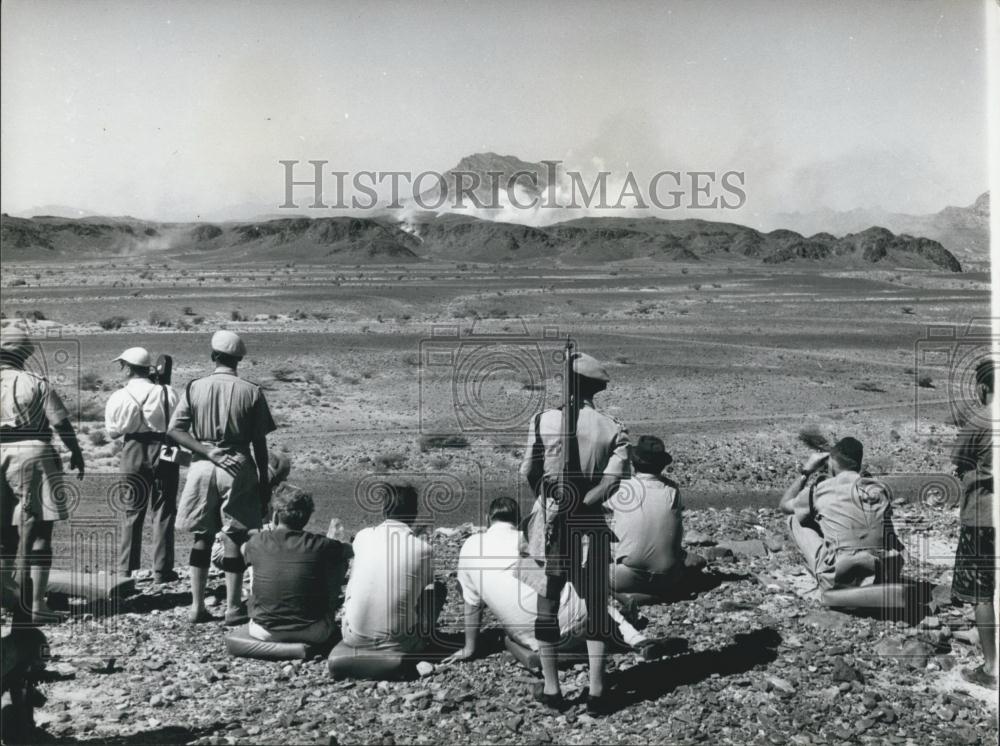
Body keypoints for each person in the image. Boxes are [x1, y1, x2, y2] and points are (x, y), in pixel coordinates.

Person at [520, 351, 629, 715]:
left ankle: (553, 690)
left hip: (552, 521)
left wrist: (552, 498)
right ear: (595, 388)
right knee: (596, 607)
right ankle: (597, 692)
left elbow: (529, 472)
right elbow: (613, 481)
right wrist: (587, 501)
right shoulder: (612, 428)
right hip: (591, 523)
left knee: (547, 606)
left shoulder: (543, 420)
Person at [445, 497, 660, 666]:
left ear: (487, 519)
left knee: (509, 634)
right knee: (590, 599)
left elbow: (471, 604)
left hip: (533, 638)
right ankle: (637, 640)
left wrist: (469, 647)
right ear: (519, 519)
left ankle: (578, 652)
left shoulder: (470, 545)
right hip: (574, 620)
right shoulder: (527, 538)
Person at [168, 330, 276, 625]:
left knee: (201, 535)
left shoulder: (193, 387)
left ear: (213, 356)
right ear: (239, 360)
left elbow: (175, 431)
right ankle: (232, 607)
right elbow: (260, 443)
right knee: (234, 535)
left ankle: (196, 606)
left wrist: (206, 451)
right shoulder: (252, 391)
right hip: (238, 465)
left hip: (202, 464)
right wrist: (264, 482)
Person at [0, 324, 85, 624]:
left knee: (4, 534)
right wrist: (75, 451)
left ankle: (8, 596)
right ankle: (34, 604)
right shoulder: (35, 382)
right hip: (32, 454)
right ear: (24, 353)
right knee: (38, 532)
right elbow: (60, 423)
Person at [779, 436, 903, 591]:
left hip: (838, 580)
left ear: (831, 462)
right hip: (881, 575)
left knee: (795, 517)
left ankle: (824, 572)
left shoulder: (820, 491)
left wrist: (806, 472)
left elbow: (784, 505)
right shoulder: (878, 490)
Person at [104, 347, 179, 583]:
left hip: (133, 449)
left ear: (127, 367)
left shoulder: (119, 396)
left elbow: (113, 432)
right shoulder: (168, 392)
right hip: (165, 448)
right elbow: (178, 423)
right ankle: (162, 570)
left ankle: (125, 570)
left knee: (132, 510)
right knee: (164, 509)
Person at [341, 482, 445, 652]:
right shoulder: (423, 549)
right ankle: (423, 637)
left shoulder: (362, 537)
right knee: (436, 588)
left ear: (384, 511)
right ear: (414, 514)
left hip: (353, 637)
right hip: (398, 643)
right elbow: (423, 588)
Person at [242, 483, 352, 644]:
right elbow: (349, 551)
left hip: (263, 631)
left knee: (255, 561)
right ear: (306, 518)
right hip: (313, 631)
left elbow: (243, 548)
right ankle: (326, 610)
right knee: (338, 560)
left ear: (275, 516)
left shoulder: (257, 542)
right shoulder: (319, 544)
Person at [605, 435, 705, 602]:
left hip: (625, 574)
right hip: (667, 576)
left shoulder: (622, 487)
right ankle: (660, 593)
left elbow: (599, 505)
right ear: (662, 465)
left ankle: (627, 596)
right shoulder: (672, 489)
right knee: (696, 562)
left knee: (589, 567)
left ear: (633, 463)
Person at [949, 359, 997, 689]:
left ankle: (992, 667)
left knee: (982, 593)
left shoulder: (981, 418)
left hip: (982, 515)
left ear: (982, 387)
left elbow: (958, 459)